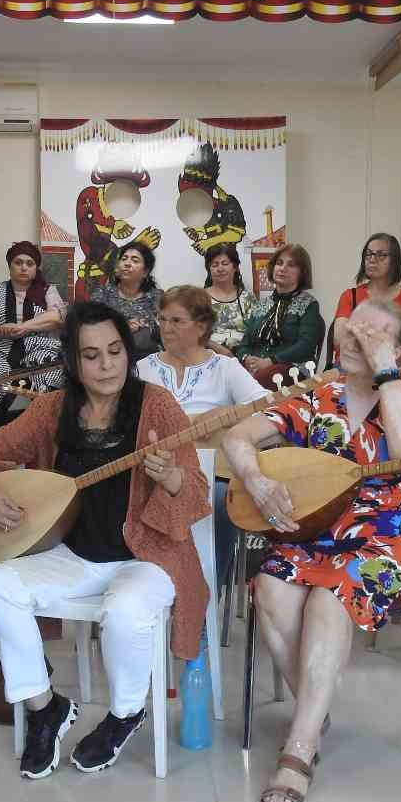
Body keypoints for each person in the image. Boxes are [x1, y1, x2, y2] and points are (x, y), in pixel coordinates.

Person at [0, 300, 210, 779]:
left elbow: (198, 491)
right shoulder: (53, 408)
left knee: (124, 612)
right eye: (92, 355)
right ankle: (45, 708)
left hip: (148, 557)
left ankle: (124, 714)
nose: (106, 365)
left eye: (115, 351)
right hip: (74, 555)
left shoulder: (157, 405)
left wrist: (173, 478)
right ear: (73, 363)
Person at [223, 300, 401, 802]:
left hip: (387, 531)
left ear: (399, 347)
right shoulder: (319, 396)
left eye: (372, 334)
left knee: (327, 598)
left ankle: (300, 747)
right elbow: (237, 436)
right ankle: (314, 714)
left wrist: (387, 370)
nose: (354, 339)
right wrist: (256, 477)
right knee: (270, 588)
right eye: (351, 328)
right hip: (318, 525)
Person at [138, 285, 271, 585]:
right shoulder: (143, 368)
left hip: (212, 474)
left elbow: (269, 408)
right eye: (162, 319)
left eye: (176, 321)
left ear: (201, 327)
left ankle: (206, 599)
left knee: (222, 501)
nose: (166, 328)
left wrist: (225, 416)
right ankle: (156, 593)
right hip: (156, 471)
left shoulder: (224, 368)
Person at [0, 240, 66, 423]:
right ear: (10, 266)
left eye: (30, 264)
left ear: (36, 268)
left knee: (51, 369)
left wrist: (22, 327)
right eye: (18, 263)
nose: (24, 268)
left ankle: (42, 424)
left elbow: (58, 317)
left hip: (38, 348)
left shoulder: (47, 290)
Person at [327, 232, 401, 366]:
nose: (372, 259)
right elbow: (339, 338)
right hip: (351, 368)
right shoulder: (350, 295)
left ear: (395, 260)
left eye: (381, 255)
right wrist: (383, 345)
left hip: (394, 368)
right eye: (368, 254)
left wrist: (361, 339)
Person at [237, 243, 323, 388]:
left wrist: (270, 361)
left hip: (293, 369)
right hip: (256, 369)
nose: (283, 268)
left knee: (254, 383)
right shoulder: (260, 305)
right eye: (279, 263)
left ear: (302, 272)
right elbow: (244, 344)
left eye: (291, 265)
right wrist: (247, 359)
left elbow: (306, 346)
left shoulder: (309, 303)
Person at [90, 240, 162, 359]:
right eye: (124, 259)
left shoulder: (156, 297)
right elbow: (92, 327)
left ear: (145, 272)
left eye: (135, 260)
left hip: (147, 359)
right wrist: (123, 327)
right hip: (109, 357)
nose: (127, 263)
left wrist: (146, 325)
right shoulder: (102, 294)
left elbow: (167, 329)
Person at [201, 243, 253, 355]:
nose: (220, 268)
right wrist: (221, 351)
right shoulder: (200, 298)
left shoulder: (248, 298)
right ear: (209, 270)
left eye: (225, 263)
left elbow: (255, 332)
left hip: (244, 355)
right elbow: (195, 333)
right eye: (215, 265)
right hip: (210, 356)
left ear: (235, 267)